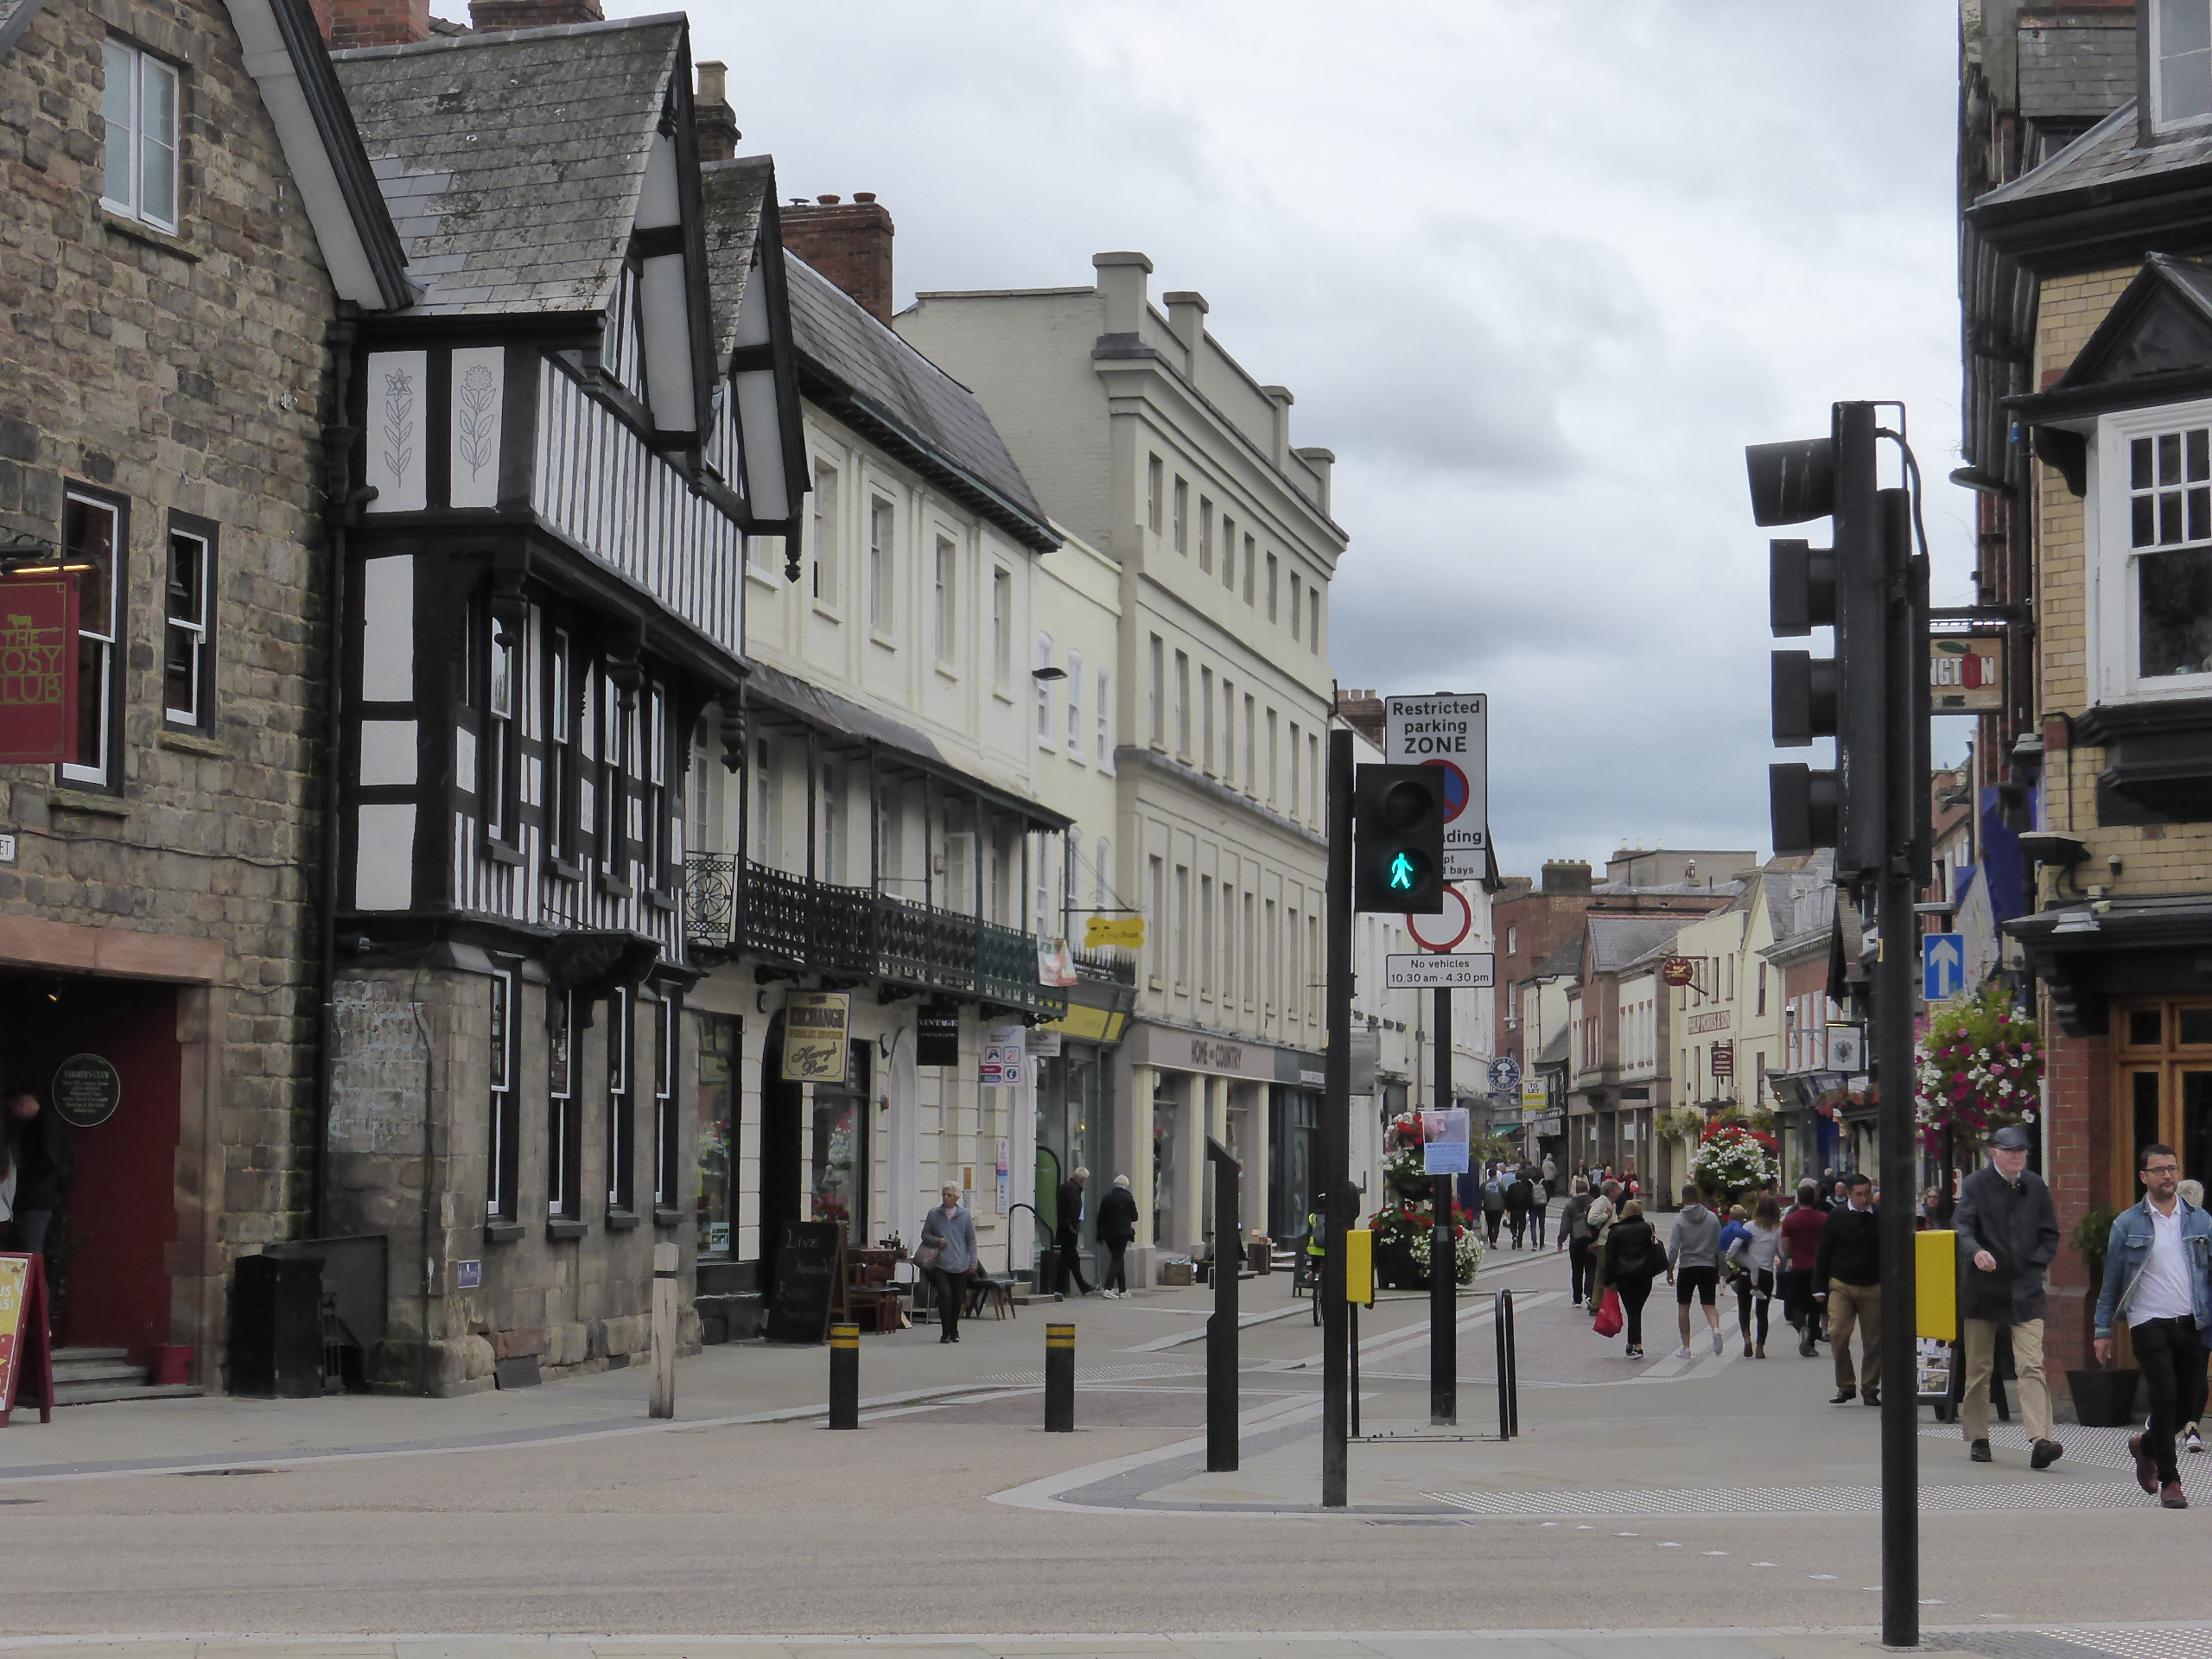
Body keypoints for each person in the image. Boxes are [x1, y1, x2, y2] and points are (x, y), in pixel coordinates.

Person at [2095, 1141, 2212, 1510]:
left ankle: (2144, 1445)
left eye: (2172, 1169)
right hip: (2148, 1322)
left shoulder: (2200, 1220)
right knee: (2165, 1396)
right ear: (2144, 1177)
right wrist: (2102, 1330)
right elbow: (2111, 1281)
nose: (2167, 1176)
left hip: (2192, 1321)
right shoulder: (2127, 1224)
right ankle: (2171, 1480)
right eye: (2159, 1170)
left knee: (2190, 1401)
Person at [1952, 1125, 2063, 1468]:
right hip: (1984, 1288)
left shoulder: (2035, 1186)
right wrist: (1976, 1251)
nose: (2018, 1157)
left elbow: (2050, 1233)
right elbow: (1962, 1226)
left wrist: (2036, 1263)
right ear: (1994, 1153)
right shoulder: (1976, 1184)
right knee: (1979, 1367)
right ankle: (1978, 1436)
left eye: (2022, 1151)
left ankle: (2041, 1439)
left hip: (2025, 1289)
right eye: (2011, 1151)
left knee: (2032, 1364)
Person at [1815, 1172, 1882, 1404]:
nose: (1865, 1199)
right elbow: (1824, 1251)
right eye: (1859, 1194)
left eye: (1867, 1194)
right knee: (1838, 1334)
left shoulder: (1880, 1217)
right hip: (1842, 1284)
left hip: (1873, 1285)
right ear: (1849, 1194)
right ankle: (1845, 1385)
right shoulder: (1837, 1216)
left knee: (1874, 1341)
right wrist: (1819, 1286)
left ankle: (1870, 1388)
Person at [2, 1090, 71, 1259]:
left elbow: (50, 1160)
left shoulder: (44, 1125)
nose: (13, 1115)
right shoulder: (42, 1124)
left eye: (12, 1109)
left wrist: (21, 1166)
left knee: (29, 1255)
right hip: (35, 1199)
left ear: (21, 1104)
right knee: (26, 1255)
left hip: (36, 1200)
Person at [1668, 1183, 1725, 1357]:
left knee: (1684, 1307)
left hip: (1687, 1266)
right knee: (1709, 1304)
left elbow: (1674, 1248)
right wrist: (1723, 1267)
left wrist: (1670, 1269)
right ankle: (1715, 1329)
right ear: (1698, 1197)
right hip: (1708, 1265)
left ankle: (1686, 1347)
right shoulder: (1712, 1218)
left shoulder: (1679, 1220)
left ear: (1683, 1198)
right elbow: (1719, 1246)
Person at [918, 1183, 979, 1344]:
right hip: (940, 1264)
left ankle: (954, 1330)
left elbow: (971, 1240)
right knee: (945, 1297)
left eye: (949, 1195)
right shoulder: (934, 1214)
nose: (945, 1198)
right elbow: (925, 1235)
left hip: (960, 1264)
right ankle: (945, 1333)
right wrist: (937, 1240)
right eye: (944, 1194)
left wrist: (973, 1262)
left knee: (957, 1299)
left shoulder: (964, 1215)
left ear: (956, 1197)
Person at [1726, 1195, 1785, 1357]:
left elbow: (1735, 1245)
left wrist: (1732, 1260)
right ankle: (1760, 1347)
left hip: (1746, 1272)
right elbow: (1781, 1252)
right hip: (1766, 1273)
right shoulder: (1778, 1229)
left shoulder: (1749, 1226)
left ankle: (1747, 1339)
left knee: (1744, 1308)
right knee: (1762, 1312)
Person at [1604, 1198, 1661, 1360]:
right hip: (1644, 1275)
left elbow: (1610, 1257)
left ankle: (1637, 1345)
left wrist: (1608, 1280)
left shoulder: (1616, 1232)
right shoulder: (1647, 1229)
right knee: (1636, 1310)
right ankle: (1632, 1344)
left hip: (1625, 1276)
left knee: (1632, 1310)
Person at [1779, 1180, 1827, 1357]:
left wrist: (1791, 1254)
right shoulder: (1823, 1218)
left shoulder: (1790, 1220)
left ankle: (1801, 1327)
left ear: (1798, 1199)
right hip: (1818, 1267)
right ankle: (1811, 1343)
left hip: (1798, 1266)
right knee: (1815, 1306)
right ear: (1814, 1198)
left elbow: (1785, 1246)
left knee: (1797, 1303)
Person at [1054, 1166, 1093, 1298]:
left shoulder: (1067, 1187)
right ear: (1082, 1179)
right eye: (1085, 1180)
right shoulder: (1072, 1190)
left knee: (1070, 1258)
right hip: (1069, 1230)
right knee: (1068, 1259)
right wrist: (1072, 1227)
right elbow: (1071, 1210)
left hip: (1066, 1228)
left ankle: (1078, 1286)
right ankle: (1063, 1288)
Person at [1096, 1174, 1138, 1298]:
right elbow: (1135, 1217)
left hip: (1108, 1234)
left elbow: (1100, 1217)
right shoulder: (1128, 1197)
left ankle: (1123, 1289)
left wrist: (1099, 1235)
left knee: (1118, 1258)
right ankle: (1108, 1288)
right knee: (1117, 1258)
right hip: (1122, 1233)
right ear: (1126, 1185)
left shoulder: (1107, 1197)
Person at [1586, 1179, 1621, 1310]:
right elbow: (1592, 1219)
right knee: (1610, 1273)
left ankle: (1596, 1304)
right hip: (1601, 1242)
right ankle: (1608, 1306)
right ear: (1611, 1191)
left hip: (1606, 1242)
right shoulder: (1601, 1202)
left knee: (1600, 1275)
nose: (1619, 1192)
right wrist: (1606, 1215)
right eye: (1617, 1189)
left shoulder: (1610, 1203)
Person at [1561, 1178, 1595, 1303]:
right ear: (1588, 1190)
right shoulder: (1594, 1203)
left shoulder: (1570, 1205)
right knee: (1591, 1269)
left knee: (1576, 1270)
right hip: (1591, 1241)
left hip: (1576, 1241)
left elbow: (1565, 1226)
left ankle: (1577, 1299)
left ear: (1576, 1191)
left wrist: (1561, 1240)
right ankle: (1589, 1294)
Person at [1505, 1166, 1533, 1249]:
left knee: (1513, 1225)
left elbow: (1508, 1197)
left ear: (1515, 1178)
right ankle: (1520, 1241)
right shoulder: (1526, 1188)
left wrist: (1508, 1208)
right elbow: (1529, 1199)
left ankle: (1514, 1236)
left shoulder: (1511, 1187)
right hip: (1522, 1210)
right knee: (1522, 1226)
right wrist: (1527, 1208)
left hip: (1513, 1209)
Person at [1482, 1168, 1506, 1247]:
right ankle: (1494, 1241)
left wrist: (1480, 1206)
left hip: (1488, 1206)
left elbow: (1481, 1196)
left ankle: (1491, 1240)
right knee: (1496, 1224)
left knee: (1489, 1224)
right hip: (1499, 1207)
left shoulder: (1484, 1185)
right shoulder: (1500, 1184)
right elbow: (1504, 1195)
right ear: (1496, 1174)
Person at [1529, 1171, 1549, 1249]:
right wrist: (1545, 1202)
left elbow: (1528, 1195)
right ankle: (1541, 1244)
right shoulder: (1544, 1183)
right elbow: (1548, 1194)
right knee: (1542, 1226)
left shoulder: (1529, 1183)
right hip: (1542, 1207)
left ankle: (1534, 1244)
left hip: (1532, 1207)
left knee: (1533, 1226)